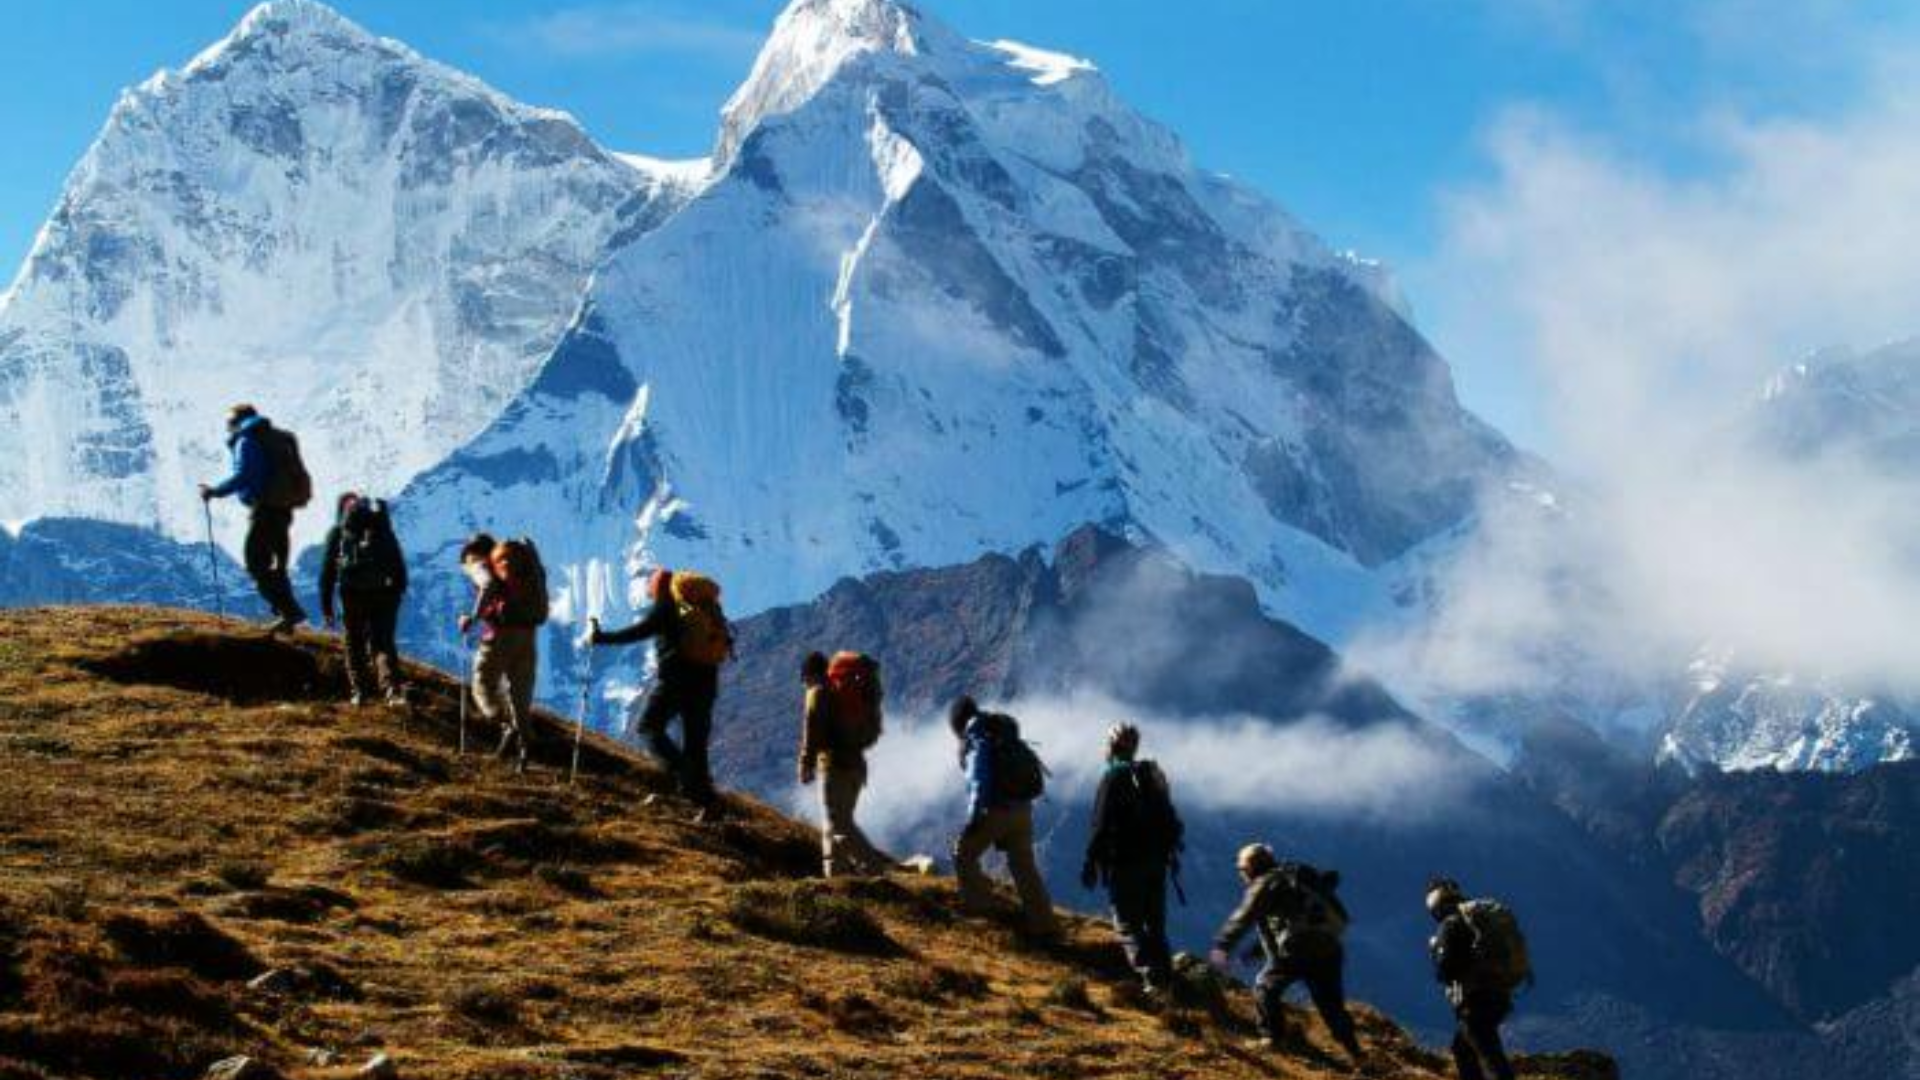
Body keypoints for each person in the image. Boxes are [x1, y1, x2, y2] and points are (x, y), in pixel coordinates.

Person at [589, 569, 731, 820]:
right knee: (695, 744)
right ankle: (709, 804)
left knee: (649, 728)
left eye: (650, 585)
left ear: (658, 587)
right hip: (707, 681)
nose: (647, 589)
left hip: (676, 680)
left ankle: (683, 775)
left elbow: (639, 632)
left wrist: (601, 638)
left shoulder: (666, 607)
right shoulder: (697, 609)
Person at [1209, 843, 1364, 1064]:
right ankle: (1356, 1053)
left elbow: (1243, 918)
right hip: (1329, 946)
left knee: (1265, 986)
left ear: (1252, 867)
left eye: (1242, 869)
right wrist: (1253, 954)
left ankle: (1272, 1038)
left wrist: (1221, 946)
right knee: (1331, 1005)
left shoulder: (1264, 883)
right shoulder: (1294, 876)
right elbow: (1286, 924)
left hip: (1297, 948)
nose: (1241, 875)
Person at [1081, 722, 1182, 993]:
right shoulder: (1149, 777)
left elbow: (1100, 825)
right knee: (1155, 925)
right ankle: (1168, 979)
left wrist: (1090, 861)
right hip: (1158, 862)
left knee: (1127, 924)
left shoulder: (1113, 777)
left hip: (1126, 863)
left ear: (1111, 747)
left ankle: (1153, 980)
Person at [950, 695, 1056, 938]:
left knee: (963, 854)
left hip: (997, 810)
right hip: (1024, 809)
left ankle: (983, 911)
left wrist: (974, 817)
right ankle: (1045, 926)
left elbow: (979, 779)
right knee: (1024, 867)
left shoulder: (976, 738)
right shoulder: (1001, 731)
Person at [199, 404, 309, 633]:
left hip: (265, 510)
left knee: (256, 562)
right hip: (283, 509)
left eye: (230, 424)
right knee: (277, 565)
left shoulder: (247, 441)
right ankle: (286, 619)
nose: (228, 429)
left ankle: (289, 612)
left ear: (238, 422)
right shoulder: (277, 438)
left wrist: (215, 491)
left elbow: (245, 475)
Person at [797, 651, 889, 877]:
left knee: (839, 824)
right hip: (856, 767)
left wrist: (805, 763)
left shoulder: (817, 692)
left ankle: (875, 869)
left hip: (834, 765)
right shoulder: (840, 693)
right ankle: (835, 878)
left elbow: (812, 730)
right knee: (834, 823)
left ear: (808, 675)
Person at [1426, 878, 1527, 1080]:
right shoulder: (1472, 920)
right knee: (1463, 1048)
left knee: (1490, 1056)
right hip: (1500, 994)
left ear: (1436, 906)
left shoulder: (1451, 923)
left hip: (1477, 999)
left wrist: (1435, 951)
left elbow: (1446, 968)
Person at [317, 492, 408, 707]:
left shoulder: (338, 532)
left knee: (354, 643)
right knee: (383, 643)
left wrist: (327, 608)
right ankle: (392, 691)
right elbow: (398, 564)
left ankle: (360, 692)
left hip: (351, 594)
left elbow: (326, 574)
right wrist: (397, 592)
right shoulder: (382, 529)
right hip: (385, 594)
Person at [457, 533, 537, 771]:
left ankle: (505, 724)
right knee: (518, 696)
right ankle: (524, 753)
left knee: (481, 687)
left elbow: (488, 584)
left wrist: (473, 617)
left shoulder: (478, 563)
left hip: (501, 635)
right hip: (527, 633)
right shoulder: (509, 566)